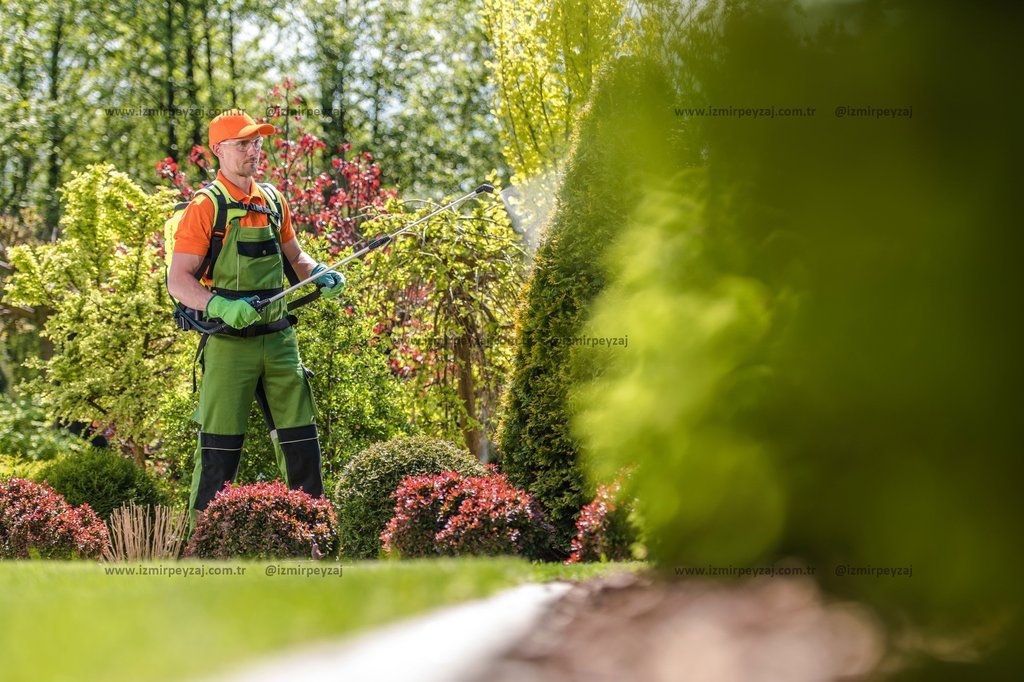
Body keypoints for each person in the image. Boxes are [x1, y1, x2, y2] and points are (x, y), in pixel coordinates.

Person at [167, 109, 345, 529]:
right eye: (243, 143)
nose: (253, 150)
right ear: (219, 150)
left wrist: (319, 274)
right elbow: (179, 280)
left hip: (281, 342)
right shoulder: (206, 207)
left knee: (302, 443)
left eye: (257, 142)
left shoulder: (273, 200)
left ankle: (312, 536)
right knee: (219, 450)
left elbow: (296, 258)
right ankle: (202, 547)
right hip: (229, 344)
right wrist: (220, 306)